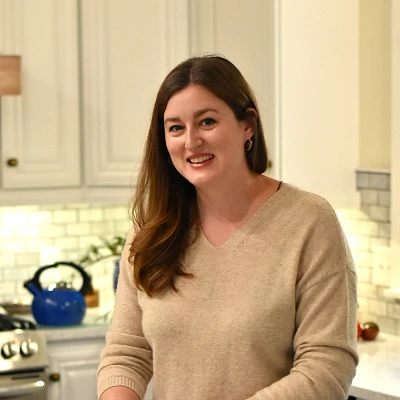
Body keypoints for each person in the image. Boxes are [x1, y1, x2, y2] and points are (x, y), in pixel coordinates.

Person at [97, 55, 358, 400]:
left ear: (247, 125)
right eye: (175, 128)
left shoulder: (309, 221)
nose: (191, 141)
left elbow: (327, 367)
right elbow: (126, 353)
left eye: (207, 121)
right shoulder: (152, 227)